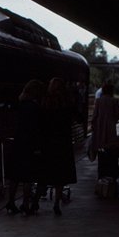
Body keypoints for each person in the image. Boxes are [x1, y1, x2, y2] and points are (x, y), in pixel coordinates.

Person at [38, 78, 85, 215]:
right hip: (63, 143)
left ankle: (35, 203)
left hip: (48, 143)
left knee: (44, 174)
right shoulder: (68, 103)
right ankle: (56, 204)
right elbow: (80, 119)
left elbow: (40, 123)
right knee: (61, 176)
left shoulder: (46, 103)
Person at [5, 80, 45, 215]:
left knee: (15, 175)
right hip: (30, 144)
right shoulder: (35, 107)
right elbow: (37, 128)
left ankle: (11, 202)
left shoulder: (20, 104)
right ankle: (25, 203)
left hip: (18, 142)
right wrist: (38, 147)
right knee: (28, 176)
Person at [88, 83, 119, 161]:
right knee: (111, 144)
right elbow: (118, 114)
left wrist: (93, 124)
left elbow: (95, 114)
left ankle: (101, 161)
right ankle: (109, 161)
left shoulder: (99, 101)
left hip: (100, 125)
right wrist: (113, 120)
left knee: (100, 144)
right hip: (111, 126)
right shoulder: (114, 101)